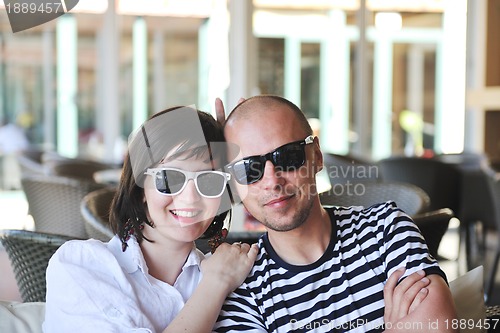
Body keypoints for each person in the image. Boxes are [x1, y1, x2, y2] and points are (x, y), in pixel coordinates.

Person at [214, 95, 457, 332]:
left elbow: (439, 327)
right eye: (249, 169)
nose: (272, 181)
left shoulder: (386, 230)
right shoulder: (242, 288)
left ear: (316, 155)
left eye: (287, 157)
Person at [43, 106, 258, 332]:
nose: (190, 197)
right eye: (170, 178)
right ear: (140, 188)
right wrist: (216, 284)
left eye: (209, 180)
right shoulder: (80, 265)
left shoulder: (233, 273)